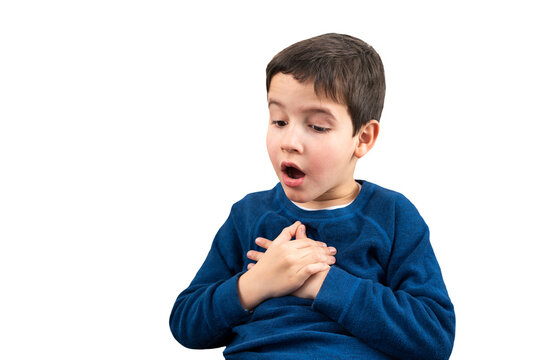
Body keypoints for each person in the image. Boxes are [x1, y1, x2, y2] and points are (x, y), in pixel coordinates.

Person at [169, 33, 455, 359]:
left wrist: (322, 283)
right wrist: (256, 283)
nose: (289, 141)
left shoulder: (392, 215)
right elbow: (186, 324)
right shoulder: (247, 215)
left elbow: (433, 338)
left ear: (362, 138)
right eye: (279, 120)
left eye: (317, 126)